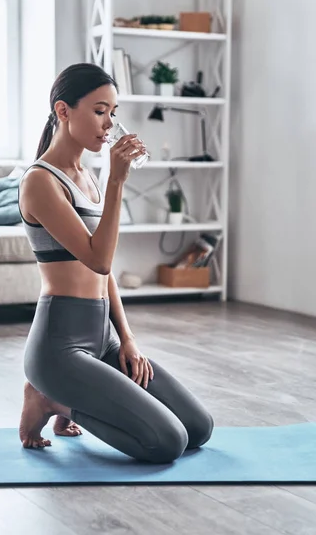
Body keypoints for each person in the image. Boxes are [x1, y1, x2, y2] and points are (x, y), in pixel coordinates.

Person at [18, 63, 213, 463]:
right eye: (99, 110)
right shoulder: (40, 181)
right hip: (60, 346)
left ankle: (67, 396)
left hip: (102, 336)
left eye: (114, 112)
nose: (109, 124)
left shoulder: (86, 176)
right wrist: (117, 180)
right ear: (63, 111)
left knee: (197, 428)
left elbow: (102, 279)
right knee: (166, 443)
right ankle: (52, 400)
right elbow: (99, 260)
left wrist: (127, 337)